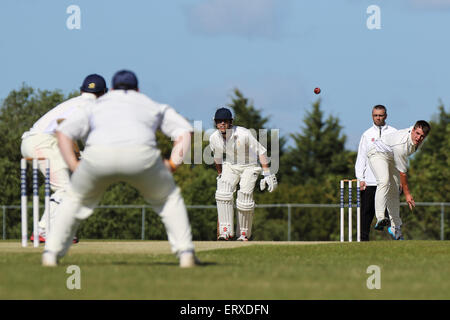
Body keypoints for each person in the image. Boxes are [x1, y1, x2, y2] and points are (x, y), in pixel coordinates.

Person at [42, 70, 199, 268]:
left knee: (74, 199)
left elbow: (63, 133)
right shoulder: (150, 104)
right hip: (142, 156)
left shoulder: (96, 105)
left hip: (98, 155)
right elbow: (185, 131)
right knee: (169, 199)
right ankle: (185, 254)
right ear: (138, 89)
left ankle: (50, 254)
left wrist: (75, 166)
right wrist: (173, 163)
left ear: (112, 89)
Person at [21, 74, 108, 243]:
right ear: (104, 93)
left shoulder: (77, 103)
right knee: (65, 189)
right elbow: (64, 125)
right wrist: (77, 156)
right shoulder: (90, 107)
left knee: (67, 189)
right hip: (42, 143)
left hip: (36, 142)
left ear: (81, 90)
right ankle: (43, 230)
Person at [209, 107, 277, 241]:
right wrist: (220, 174)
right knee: (223, 191)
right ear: (215, 123)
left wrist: (267, 173)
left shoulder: (243, 134)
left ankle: (244, 234)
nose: (222, 123)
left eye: (225, 121)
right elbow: (217, 157)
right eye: (219, 121)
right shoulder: (214, 138)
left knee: (244, 196)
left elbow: (261, 152)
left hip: (249, 166)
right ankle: (225, 231)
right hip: (230, 165)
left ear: (231, 122)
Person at [367, 120, 431, 240]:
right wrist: (407, 194)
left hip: (392, 158)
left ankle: (396, 227)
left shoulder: (418, 140)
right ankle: (380, 218)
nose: (419, 138)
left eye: (422, 136)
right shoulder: (402, 144)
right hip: (378, 153)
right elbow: (403, 172)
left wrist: (400, 185)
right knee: (384, 181)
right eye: (417, 134)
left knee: (394, 190)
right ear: (413, 130)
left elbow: (401, 168)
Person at [355, 105, 397, 241]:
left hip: (387, 182)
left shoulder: (393, 132)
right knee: (366, 213)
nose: (378, 118)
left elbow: (398, 157)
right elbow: (361, 157)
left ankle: (396, 237)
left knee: (391, 213)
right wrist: (360, 178)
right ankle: (363, 239)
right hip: (369, 181)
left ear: (386, 116)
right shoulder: (367, 135)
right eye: (376, 115)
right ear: (372, 116)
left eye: (381, 115)